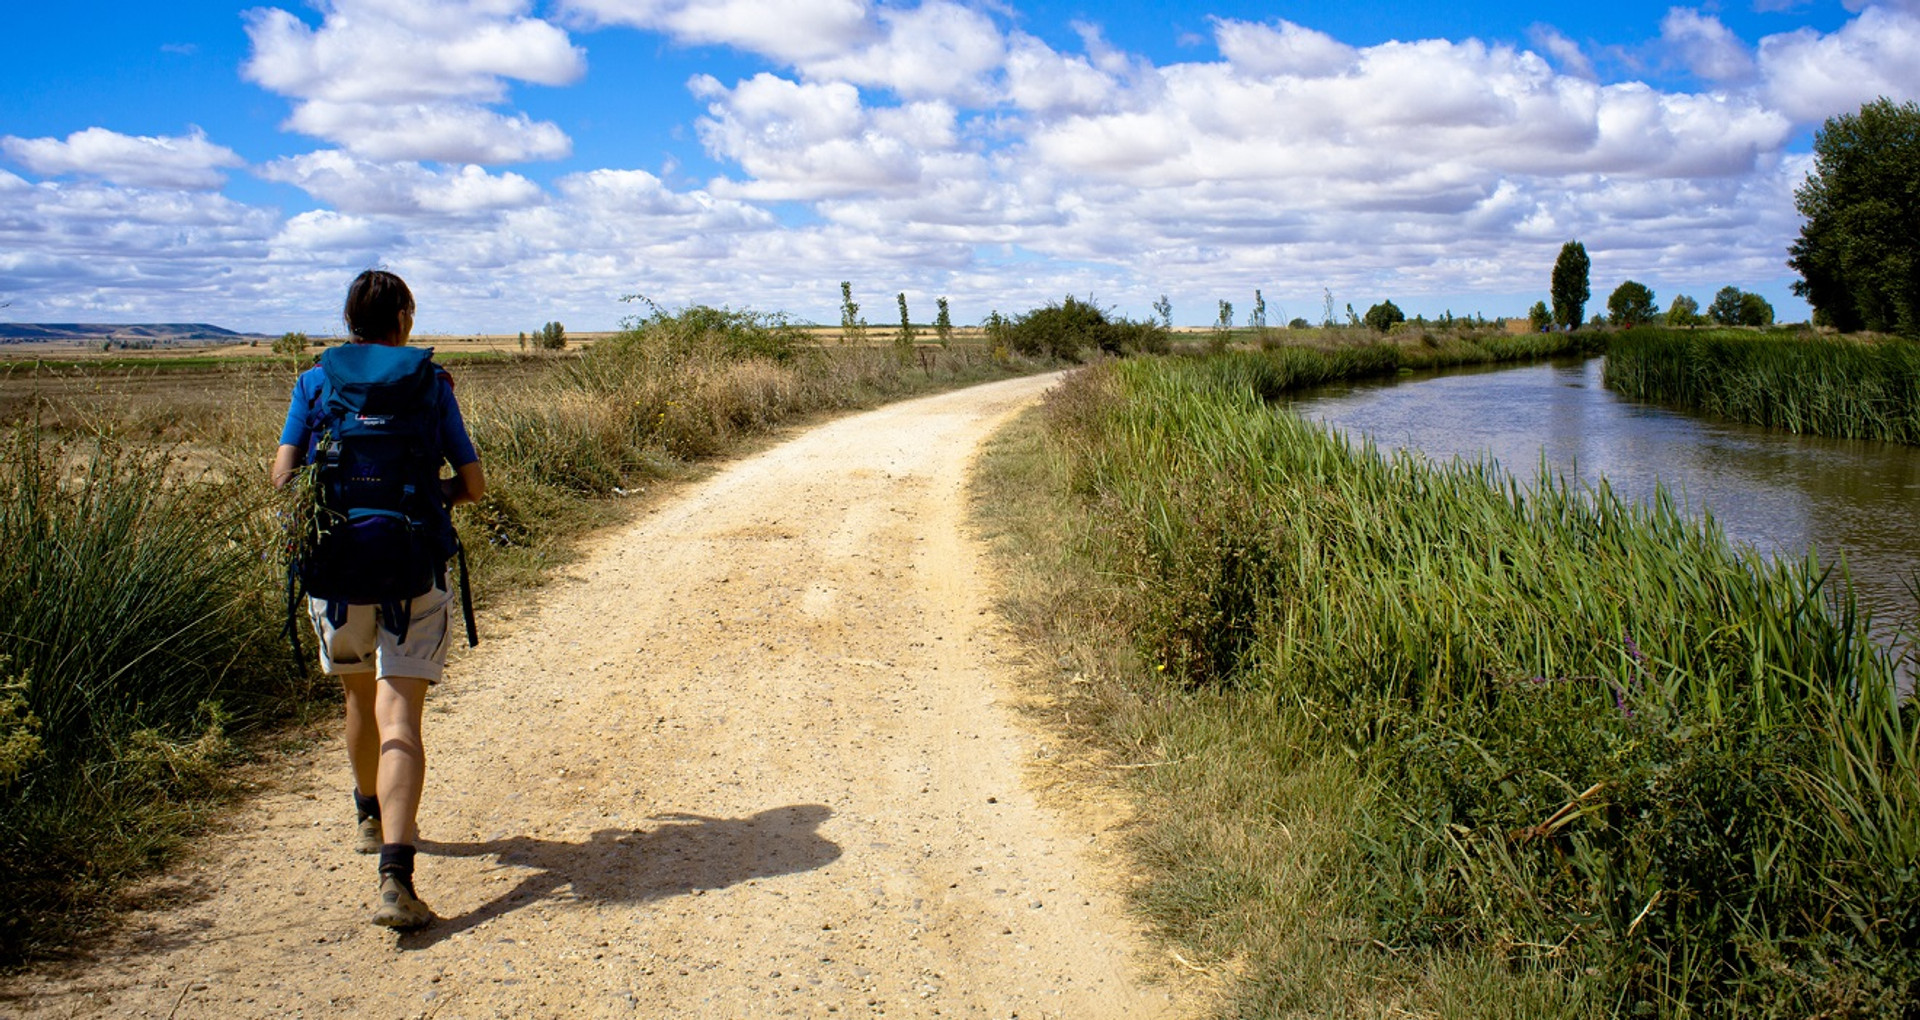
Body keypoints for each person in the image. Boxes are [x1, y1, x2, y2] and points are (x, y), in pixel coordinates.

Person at [271, 269, 485, 930]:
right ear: (405, 320)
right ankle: (396, 875)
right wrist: (422, 499)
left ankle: (367, 813)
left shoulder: (314, 382)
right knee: (403, 717)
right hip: (413, 568)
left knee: (358, 696)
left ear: (349, 321)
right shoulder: (430, 382)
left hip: (335, 572)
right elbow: (472, 484)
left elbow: (283, 478)